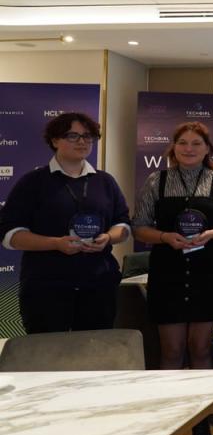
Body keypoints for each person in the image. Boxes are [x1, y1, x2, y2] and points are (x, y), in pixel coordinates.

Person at [132, 121, 213, 435]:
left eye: (196, 143)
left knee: (199, 349)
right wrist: (165, 237)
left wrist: (210, 235)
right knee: (170, 351)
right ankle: (169, 427)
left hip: (206, 272)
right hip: (168, 272)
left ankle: (201, 424)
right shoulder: (157, 180)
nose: (189, 149)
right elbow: (140, 228)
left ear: (207, 149)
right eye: (183, 143)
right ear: (173, 147)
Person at [0, 112, 130, 333]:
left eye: (88, 136)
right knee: (46, 358)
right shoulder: (33, 182)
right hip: (46, 287)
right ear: (54, 140)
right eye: (73, 136)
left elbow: (124, 226)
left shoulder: (105, 181)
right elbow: (10, 235)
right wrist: (55, 243)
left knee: (94, 358)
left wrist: (109, 237)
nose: (82, 141)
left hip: (99, 286)